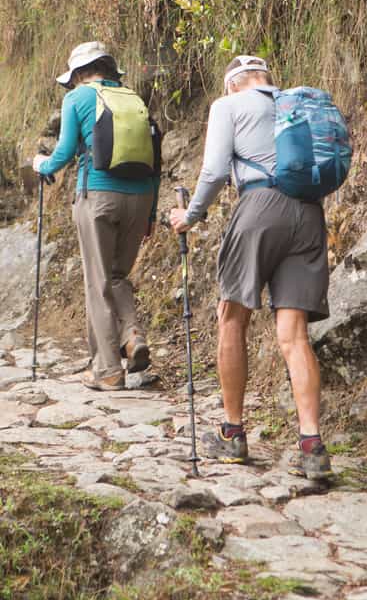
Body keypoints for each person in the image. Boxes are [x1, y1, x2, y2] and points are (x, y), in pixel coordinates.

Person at [170, 55, 331, 479]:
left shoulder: (229, 105)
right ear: (266, 79)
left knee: (232, 316)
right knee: (294, 335)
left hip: (260, 207)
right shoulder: (294, 105)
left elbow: (214, 169)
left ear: (234, 83)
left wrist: (191, 216)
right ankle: (312, 444)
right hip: (310, 214)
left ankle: (232, 433)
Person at [33, 41, 160, 391]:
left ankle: (107, 371)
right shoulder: (134, 99)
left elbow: (63, 151)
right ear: (109, 68)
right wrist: (150, 212)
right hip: (141, 198)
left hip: (98, 197)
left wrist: (40, 165)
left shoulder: (77, 98)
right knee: (117, 276)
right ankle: (132, 336)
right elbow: (156, 160)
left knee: (97, 283)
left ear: (78, 74)